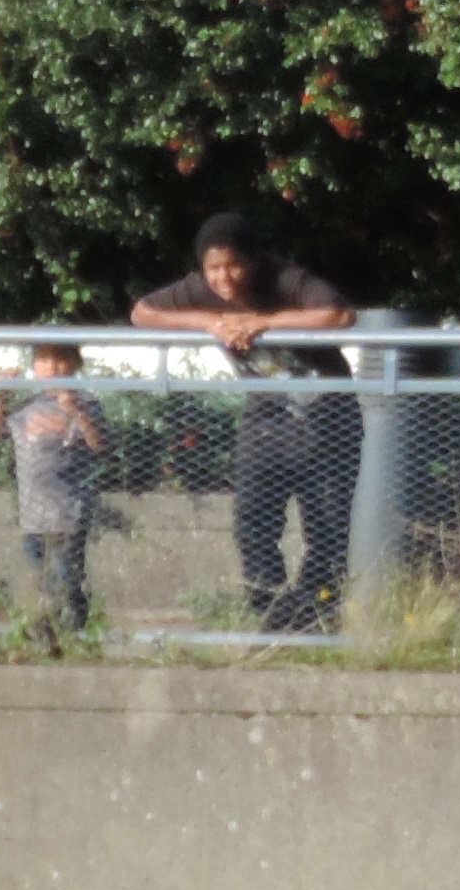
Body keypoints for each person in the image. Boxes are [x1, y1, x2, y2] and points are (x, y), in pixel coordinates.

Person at [130, 213, 360, 632]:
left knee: (327, 528)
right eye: (213, 268)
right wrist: (208, 322)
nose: (224, 278)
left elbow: (340, 315)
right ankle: (271, 615)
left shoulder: (285, 279)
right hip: (267, 418)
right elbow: (142, 312)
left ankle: (316, 616)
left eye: (233, 265)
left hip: (329, 416)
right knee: (253, 524)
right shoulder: (202, 289)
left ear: (253, 261)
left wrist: (265, 322)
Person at [0, 342, 108, 634]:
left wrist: (75, 412)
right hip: (32, 511)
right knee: (39, 573)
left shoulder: (86, 402)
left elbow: (101, 444)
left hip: (69, 509)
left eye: (60, 359)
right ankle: (46, 628)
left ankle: (74, 627)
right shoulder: (28, 404)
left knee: (66, 574)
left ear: (74, 364)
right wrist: (0, 397)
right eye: (43, 359)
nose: (51, 367)